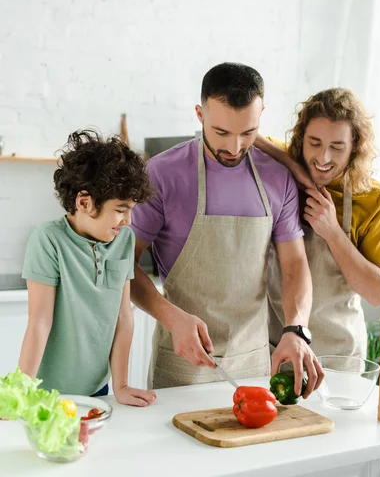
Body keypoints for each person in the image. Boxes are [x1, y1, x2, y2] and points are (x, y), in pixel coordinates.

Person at [130, 62, 324, 396]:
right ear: (199, 114)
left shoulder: (277, 178)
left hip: (255, 361)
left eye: (248, 133)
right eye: (222, 132)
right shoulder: (162, 175)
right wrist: (171, 318)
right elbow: (123, 264)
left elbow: (294, 265)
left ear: (261, 114)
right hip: (183, 364)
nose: (234, 147)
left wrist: (297, 328)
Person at [19, 130, 157, 406]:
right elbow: (40, 322)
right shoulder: (48, 240)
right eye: (120, 209)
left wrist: (121, 385)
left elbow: (123, 317)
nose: (128, 221)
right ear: (84, 202)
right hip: (48, 393)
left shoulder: (123, 240)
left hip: (98, 390)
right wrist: (21, 393)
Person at [254, 87, 380, 358]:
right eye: (314, 143)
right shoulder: (283, 170)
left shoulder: (375, 199)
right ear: (301, 138)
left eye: (337, 147)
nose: (323, 158)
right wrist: (296, 169)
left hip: (339, 355)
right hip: (276, 347)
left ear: (355, 147)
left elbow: (378, 293)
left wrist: (332, 232)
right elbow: (250, 136)